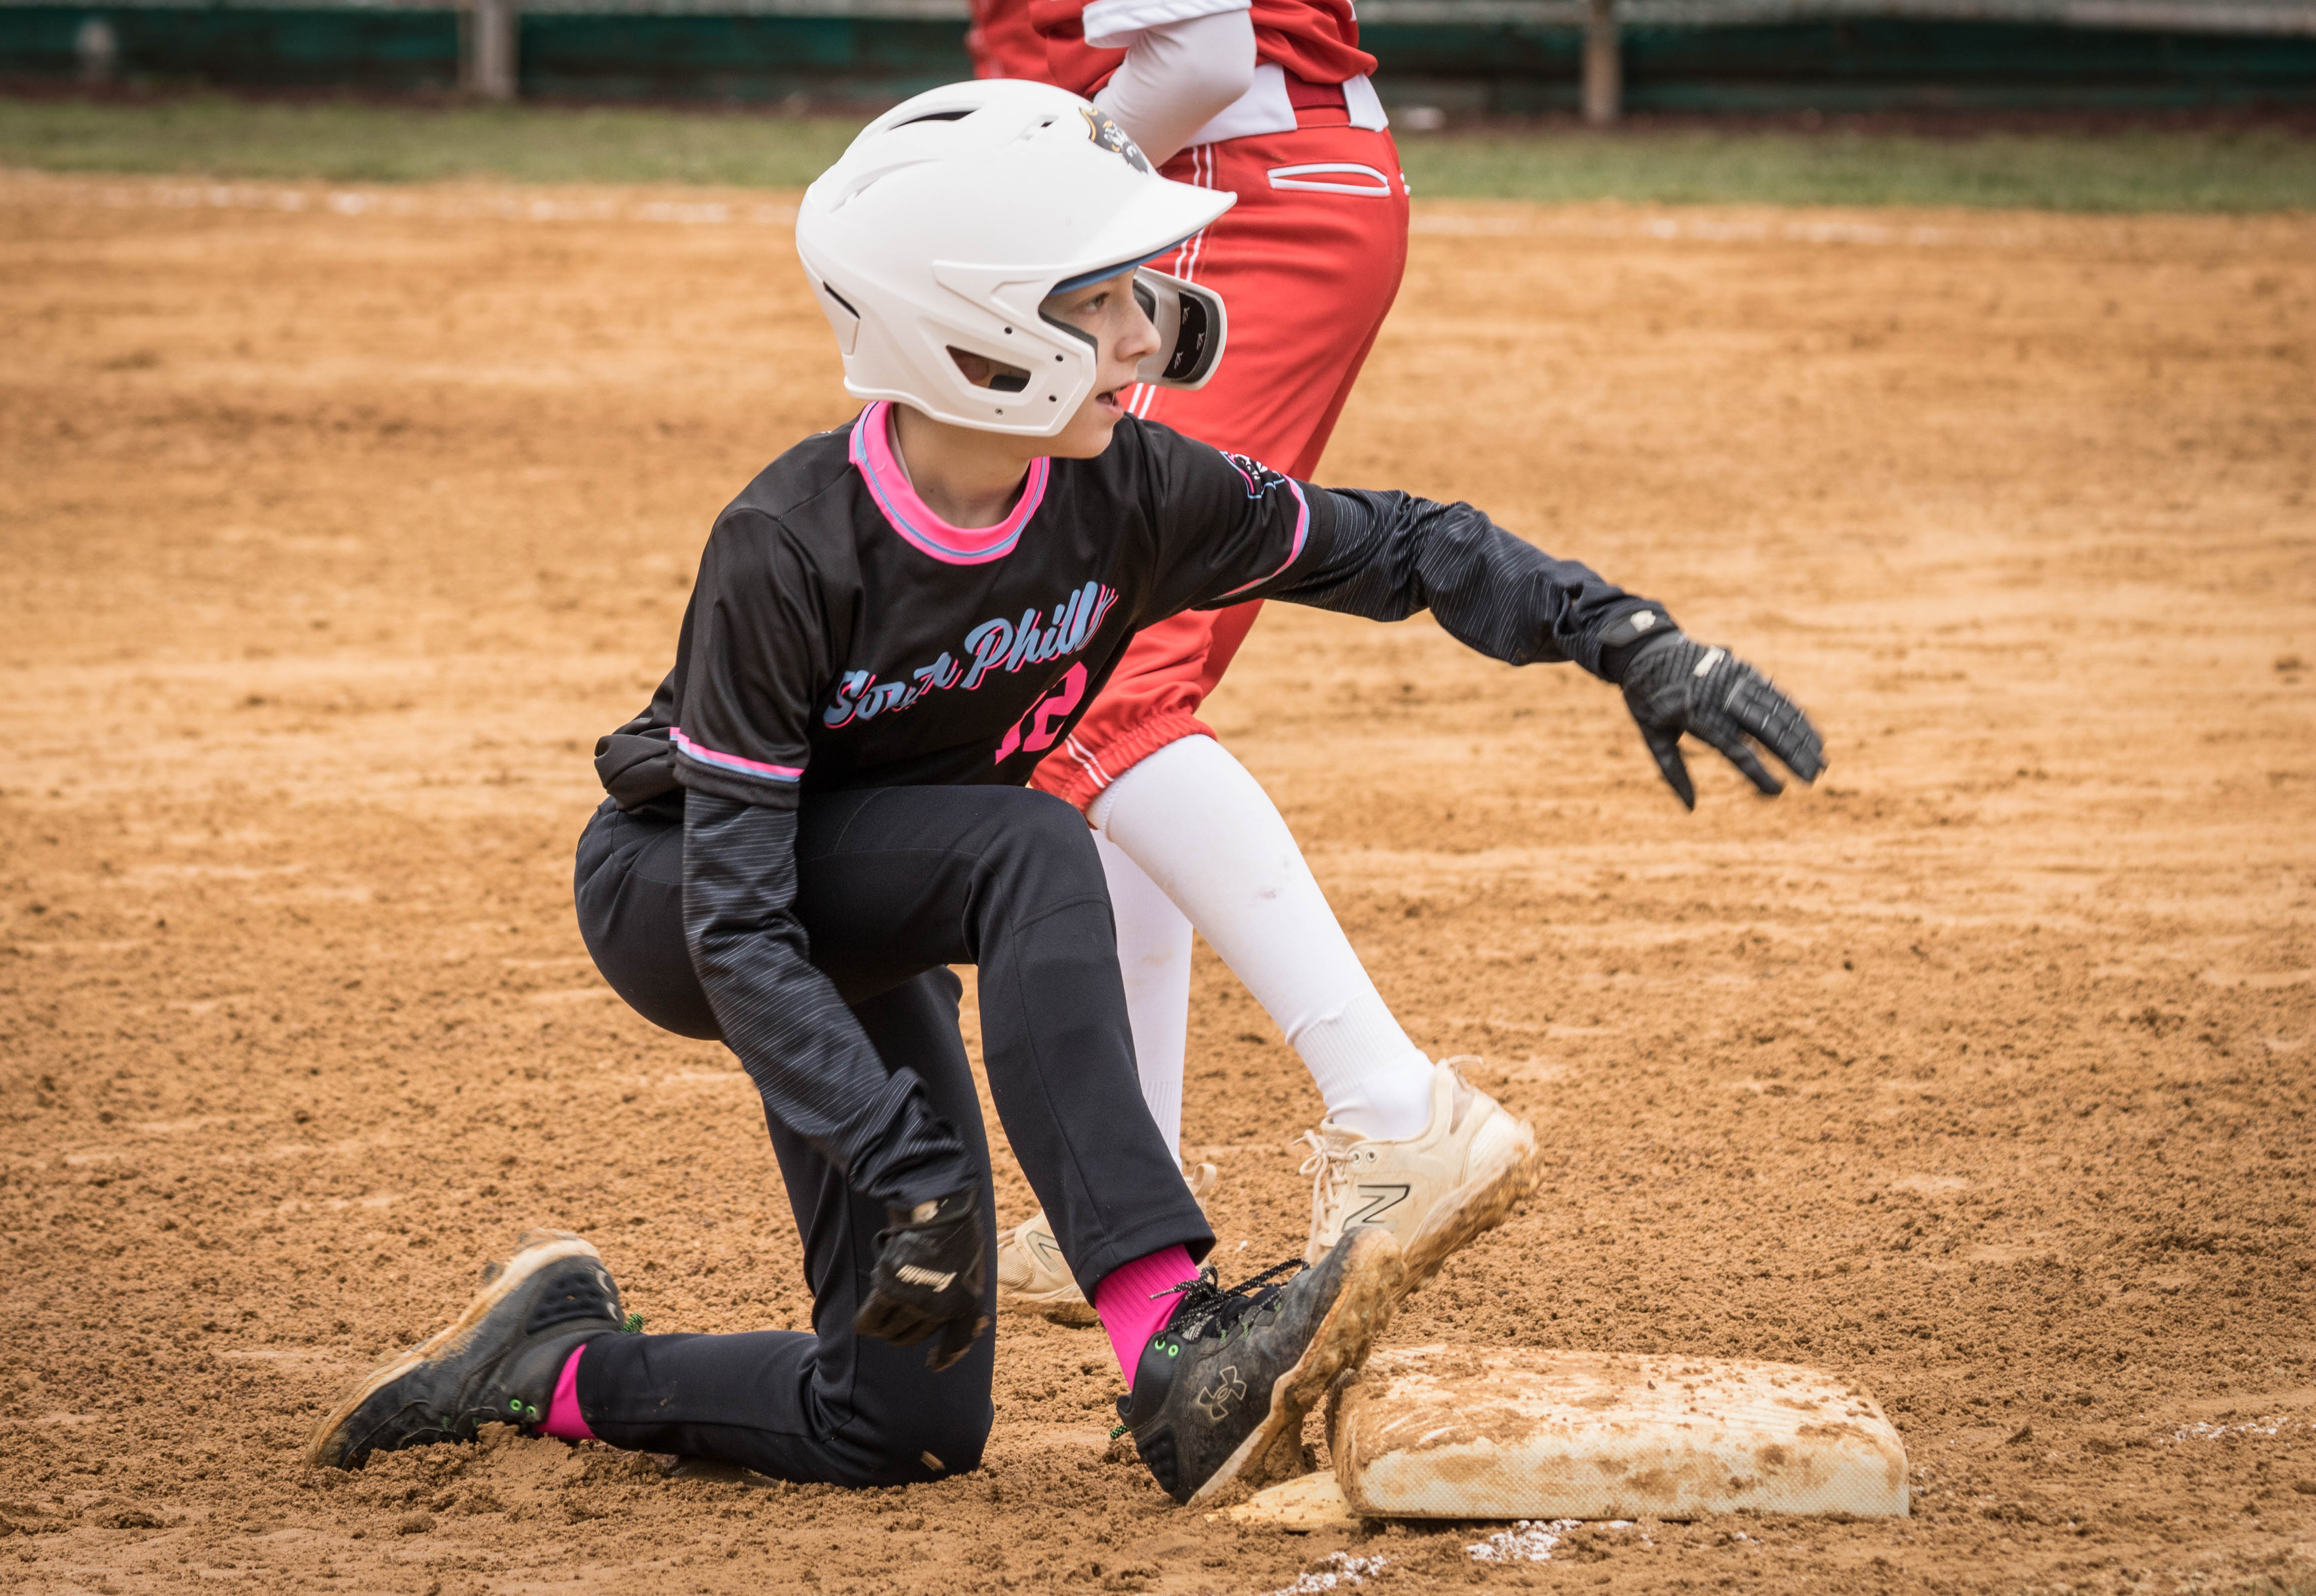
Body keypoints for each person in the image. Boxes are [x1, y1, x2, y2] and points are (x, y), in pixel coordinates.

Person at [306, 80, 1823, 1509]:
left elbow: (1405, 546)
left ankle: (546, 1367)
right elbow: (740, 921)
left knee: (903, 1423)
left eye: (1134, 293)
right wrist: (898, 1159)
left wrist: (1626, 638)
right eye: (1094, 302)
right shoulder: (788, 544)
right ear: (963, 329)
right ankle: (1174, 1346)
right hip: (688, 895)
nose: (1144, 333)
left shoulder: (1130, 492)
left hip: (886, 896)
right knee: (1038, 842)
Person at [964, 0, 1525, 1317]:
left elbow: (1204, 55)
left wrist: (1055, 197)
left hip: (1232, 189)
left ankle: (1393, 1106)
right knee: (1099, 676)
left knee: (1100, 678)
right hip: (1236, 184)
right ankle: (1129, 1179)